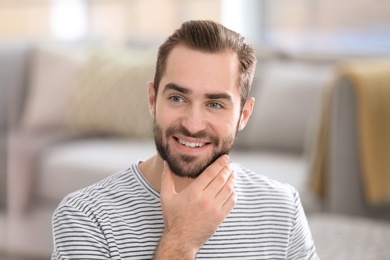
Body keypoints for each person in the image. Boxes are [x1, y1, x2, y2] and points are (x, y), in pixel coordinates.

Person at [52, 20, 318, 259]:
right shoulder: (85, 218)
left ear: (244, 114)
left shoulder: (282, 208)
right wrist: (181, 242)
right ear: (153, 100)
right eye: (178, 98)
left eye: (215, 104)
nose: (193, 124)